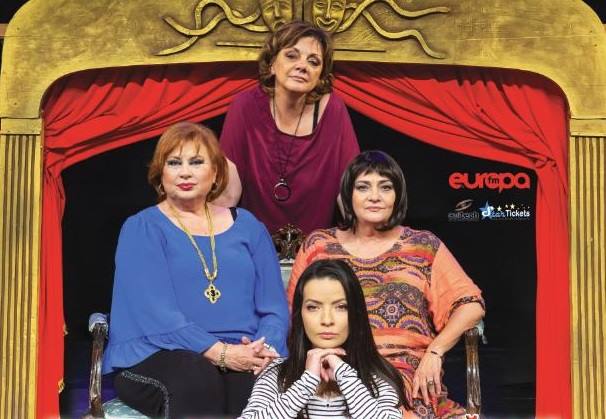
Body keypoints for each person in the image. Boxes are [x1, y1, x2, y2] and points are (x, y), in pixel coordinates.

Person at [103, 122, 289, 418]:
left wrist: (262, 350)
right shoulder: (142, 228)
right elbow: (157, 314)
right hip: (158, 352)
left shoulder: (249, 227)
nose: (185, 172)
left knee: (253, 387)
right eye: (174, 163)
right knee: (196, 375)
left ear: (215, 172)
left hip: (242, 349)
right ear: (160, 174)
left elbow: (274, 308)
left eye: (196, 162)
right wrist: (220, 353)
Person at [287, 151, 485, 418]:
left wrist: (435, 352)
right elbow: (294, 314)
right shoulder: (319, 246)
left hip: (405, 373)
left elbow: (471, 304)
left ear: (397, 195)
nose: (374, 197)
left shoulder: (423, 246)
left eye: (385, 187)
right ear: (348, 194)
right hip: (334, 365)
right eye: (363, 187)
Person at [219, 20, 359, 234]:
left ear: (320, 76)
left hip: (315, 246)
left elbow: (348, 191)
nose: (302, 66)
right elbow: (228, 193)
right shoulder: (244, 105)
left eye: (313, 62)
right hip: (253, 242)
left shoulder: (334, 109)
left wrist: (363, 242)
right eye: (292, 56)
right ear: (272, 65)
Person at [239, 259, 407, 418]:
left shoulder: (379, 377)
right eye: (313, 307)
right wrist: (306, 383)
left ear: (356, 313)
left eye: (341, 307)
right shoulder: (276, 374)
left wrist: (345, 375)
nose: (327, 320)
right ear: (300, 314)